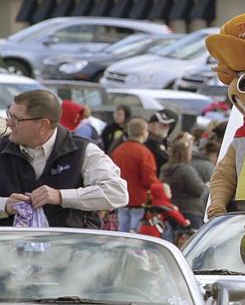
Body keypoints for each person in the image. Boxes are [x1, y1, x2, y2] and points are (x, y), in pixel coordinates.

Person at [0, 90, 128, 228]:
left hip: (70, 247)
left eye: (16, 119)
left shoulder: (83, 150)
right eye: (9, 114)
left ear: (43, 124)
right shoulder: (2, 148)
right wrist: (5, 205)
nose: (9, 123)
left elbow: (117, 192)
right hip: (9, 247)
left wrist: (61, 196)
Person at [111, 119, 161, 233]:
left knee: (122, 231)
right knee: (136, 233)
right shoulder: (144, 152)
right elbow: (149, 179)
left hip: (121, 198)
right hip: (139, 199)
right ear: (143, 132)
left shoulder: (118, 150)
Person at [161, 139, 208, 230]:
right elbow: (198, 190)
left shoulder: (164, 170)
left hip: (172, 209)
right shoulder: (186, 170)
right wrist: (204, 186)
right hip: (191, 211)